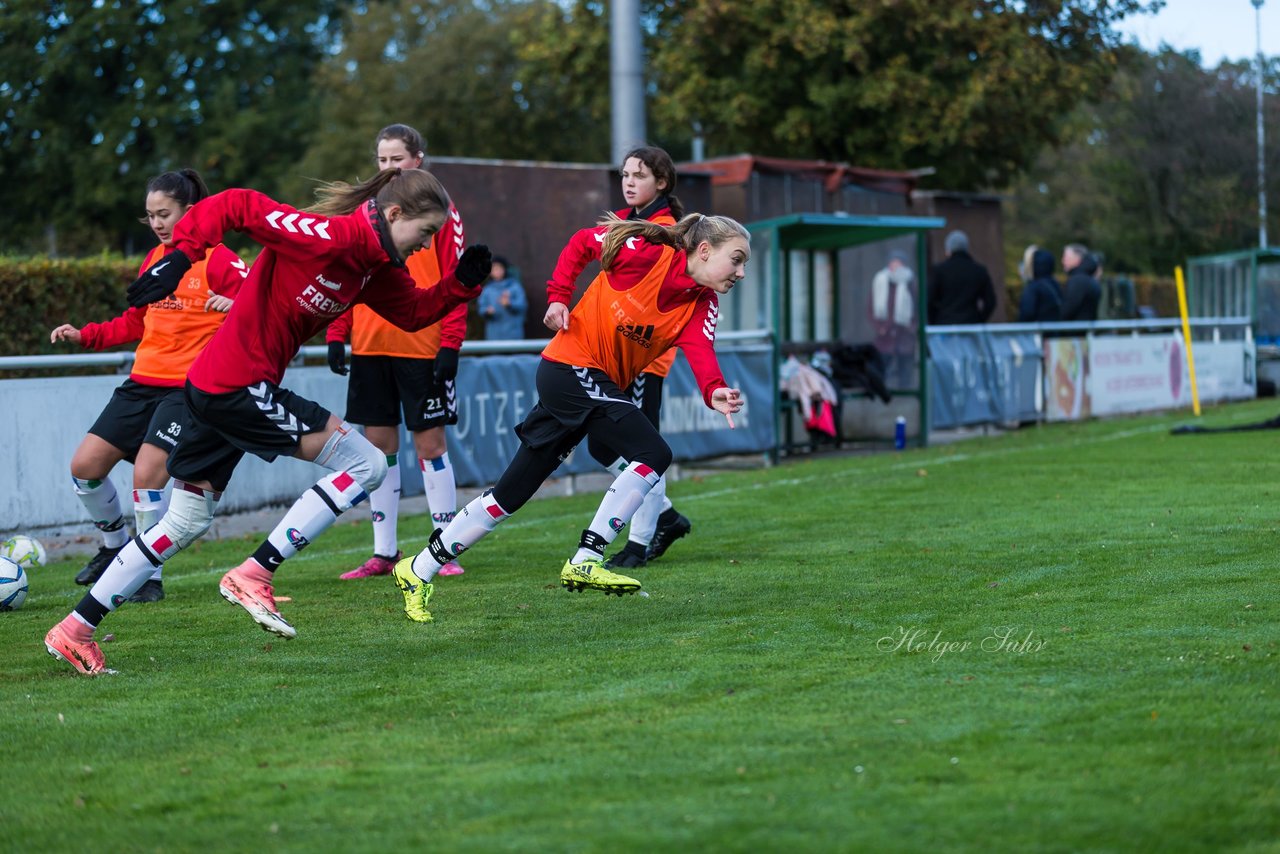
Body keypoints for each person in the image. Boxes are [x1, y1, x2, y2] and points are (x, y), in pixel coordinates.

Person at [43, 168, 492, 675]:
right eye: (424, 233)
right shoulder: (333, 238)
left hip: (224, 390)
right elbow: (237, 204)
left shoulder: (376, 270)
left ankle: (76, 628)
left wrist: (459, 286)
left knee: (186, 520)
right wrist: (182, 256)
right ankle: (255, 573)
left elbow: (412, 313)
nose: (423, 247)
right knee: (367, 463)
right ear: (394, 215)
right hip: (236, 385)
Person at [388, 212, 749, 624]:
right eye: (736, 259)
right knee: (653, 452)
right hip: (569, 369)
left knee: (511, 494)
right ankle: (587, 555)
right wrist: (559, 296)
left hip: (579, 381)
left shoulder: (704, 303)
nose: (740, 272)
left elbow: (702, 352)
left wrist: (713, 389)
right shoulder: (645, 254)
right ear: (704, 250)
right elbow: (581, 242)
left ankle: (417, 568)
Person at [50, 169, 247, 603]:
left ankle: (146, 576)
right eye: (150, 216)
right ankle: (115, 547)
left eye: (165, 214)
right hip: (141, 383)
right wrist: (87, 335)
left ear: (191, 213)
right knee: (84, 469)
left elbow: (263, 314)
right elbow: (136, 322)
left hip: (187, 389)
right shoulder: (156, 258)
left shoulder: (221, 259)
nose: (157, 224)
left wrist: (234, 305)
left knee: (147, 474)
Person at [325, 124, 469, 580]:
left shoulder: (445, 215)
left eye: (397, 159)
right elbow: (344, 274)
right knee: (377, 451)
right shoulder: (363, 214)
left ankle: (443, 549)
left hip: (423, 348)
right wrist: (337, 332)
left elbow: (459, 283)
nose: (389, 167)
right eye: (382, 160)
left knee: (430, 445)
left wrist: (450, 344)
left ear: (418, 160)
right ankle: (384, 553)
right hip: (371, 348)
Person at [582, 145, 695, 571]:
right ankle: (666, 516)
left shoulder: (665, 228)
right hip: (615, 354)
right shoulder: (628, 222)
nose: (628, 181)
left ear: (661, 183)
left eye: (639, 175)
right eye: (625, 174)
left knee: (644, 449)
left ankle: (639, 543)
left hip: (643, 355)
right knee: (600, 445)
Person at [868, 249, 916, 388]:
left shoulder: (911, 283)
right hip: (885, 336)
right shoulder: (881, 281)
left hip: (904, 336)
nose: (895, 266)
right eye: (892, 262)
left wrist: (911, 326)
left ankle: (905, 399)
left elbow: (917, 307)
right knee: (883, 367)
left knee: (905, 370)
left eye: (898, 263)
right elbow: (871, 308)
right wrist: (879, 327)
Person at [927, 230, 997, 325]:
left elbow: (929, 300)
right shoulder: (979, 270)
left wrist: (936, 321)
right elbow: (990, 302)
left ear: (948, 249)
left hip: (945, 325)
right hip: (971, 325)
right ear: (966, 248)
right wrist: (979, 319)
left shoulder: (939, 271)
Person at [477, 255, 528, 340]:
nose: (496, 271)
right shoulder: (487, 290)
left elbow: (522, 305)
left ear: (504, 269)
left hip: (514, 335)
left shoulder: (515, 287)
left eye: (499, 268)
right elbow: (481, 308)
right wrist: (487, 311)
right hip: (494, 336)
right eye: (493, 269)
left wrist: (509, 304)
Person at [1018, 248, 1062, 323]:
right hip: (1054, 330)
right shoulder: (1055, 284)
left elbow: (1027, 312)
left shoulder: (1033, 287)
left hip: (1039, 331)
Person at [1061, 244, 1102, 322]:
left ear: (1077, 259)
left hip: (1075, 331)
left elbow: (1068, 309)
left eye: (1065, 257)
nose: (1062, 261)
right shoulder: (1089, 279)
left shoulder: (1078, 281)